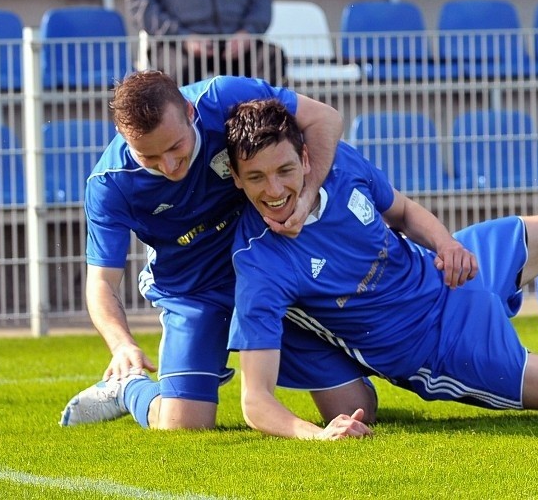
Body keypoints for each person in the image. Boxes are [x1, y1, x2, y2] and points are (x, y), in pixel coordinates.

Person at [224, 98, 538, 440]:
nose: (275, 189)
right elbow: (255, 401)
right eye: (257, 177)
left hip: (444, 272)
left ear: (305, 156)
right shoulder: (260, 262)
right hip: (437, 349)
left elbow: (404, 211)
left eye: (284, 170)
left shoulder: (339, 166)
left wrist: (448, 244)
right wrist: (316, 435)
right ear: (238, 179)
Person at [58, 71, 376, 431]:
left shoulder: (224, 98)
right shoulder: (110, 184)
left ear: (191, 112)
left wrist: (305, 198)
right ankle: (128, 388)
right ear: (124, 138)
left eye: (176, 147)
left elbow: (326, 119)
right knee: (183, 426)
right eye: (150, 157)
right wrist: (122, 345)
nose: (169, 166)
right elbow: (101, 282)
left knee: (356, 408)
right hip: (195, 291)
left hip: (270, 273)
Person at [126, 0, 286, 86]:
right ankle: (189, 127)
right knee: (180, 69)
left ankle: (262, 125)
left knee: (270, 57)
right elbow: (140, 4)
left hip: (238, 42)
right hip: (176, 44)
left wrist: (248, 32)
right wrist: (183, 37)